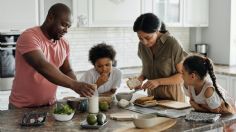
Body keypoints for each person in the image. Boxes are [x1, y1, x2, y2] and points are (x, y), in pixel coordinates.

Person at [9, 3, 95, 109]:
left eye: (68, 27)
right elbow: (42, 66)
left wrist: (80, 88)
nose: (66, 30)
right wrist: (74, 85)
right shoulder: (29, 36)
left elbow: (67, 70)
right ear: (50, 17)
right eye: (64, 25)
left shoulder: (64, 43)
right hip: (21, 108)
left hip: (50, 106)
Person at [132, 13, 187, 101]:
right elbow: (147, 69)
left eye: (148, 38)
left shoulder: (172, 44)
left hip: (173, 100)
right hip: (152, 100)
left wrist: (158, 81)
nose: (144, 42)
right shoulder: (141, 46)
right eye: (140, 38)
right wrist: (140, 79)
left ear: (157, 31)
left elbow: (183, 76)